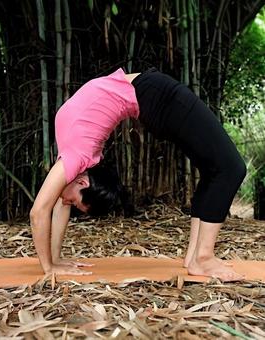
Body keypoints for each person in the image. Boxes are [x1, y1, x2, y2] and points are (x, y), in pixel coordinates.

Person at [30, 68, 246, 281]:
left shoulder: (77, 156)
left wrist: (49, 266)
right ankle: (203, 258)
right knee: (229, 168)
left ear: (83, 182)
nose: (67, 201)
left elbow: (39, 212)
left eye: (75, 202)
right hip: (152, 98)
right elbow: (57, 206)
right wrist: (54, 262)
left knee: (220, 169)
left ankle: (196, 257)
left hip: (157, 96)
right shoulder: (79, 158)